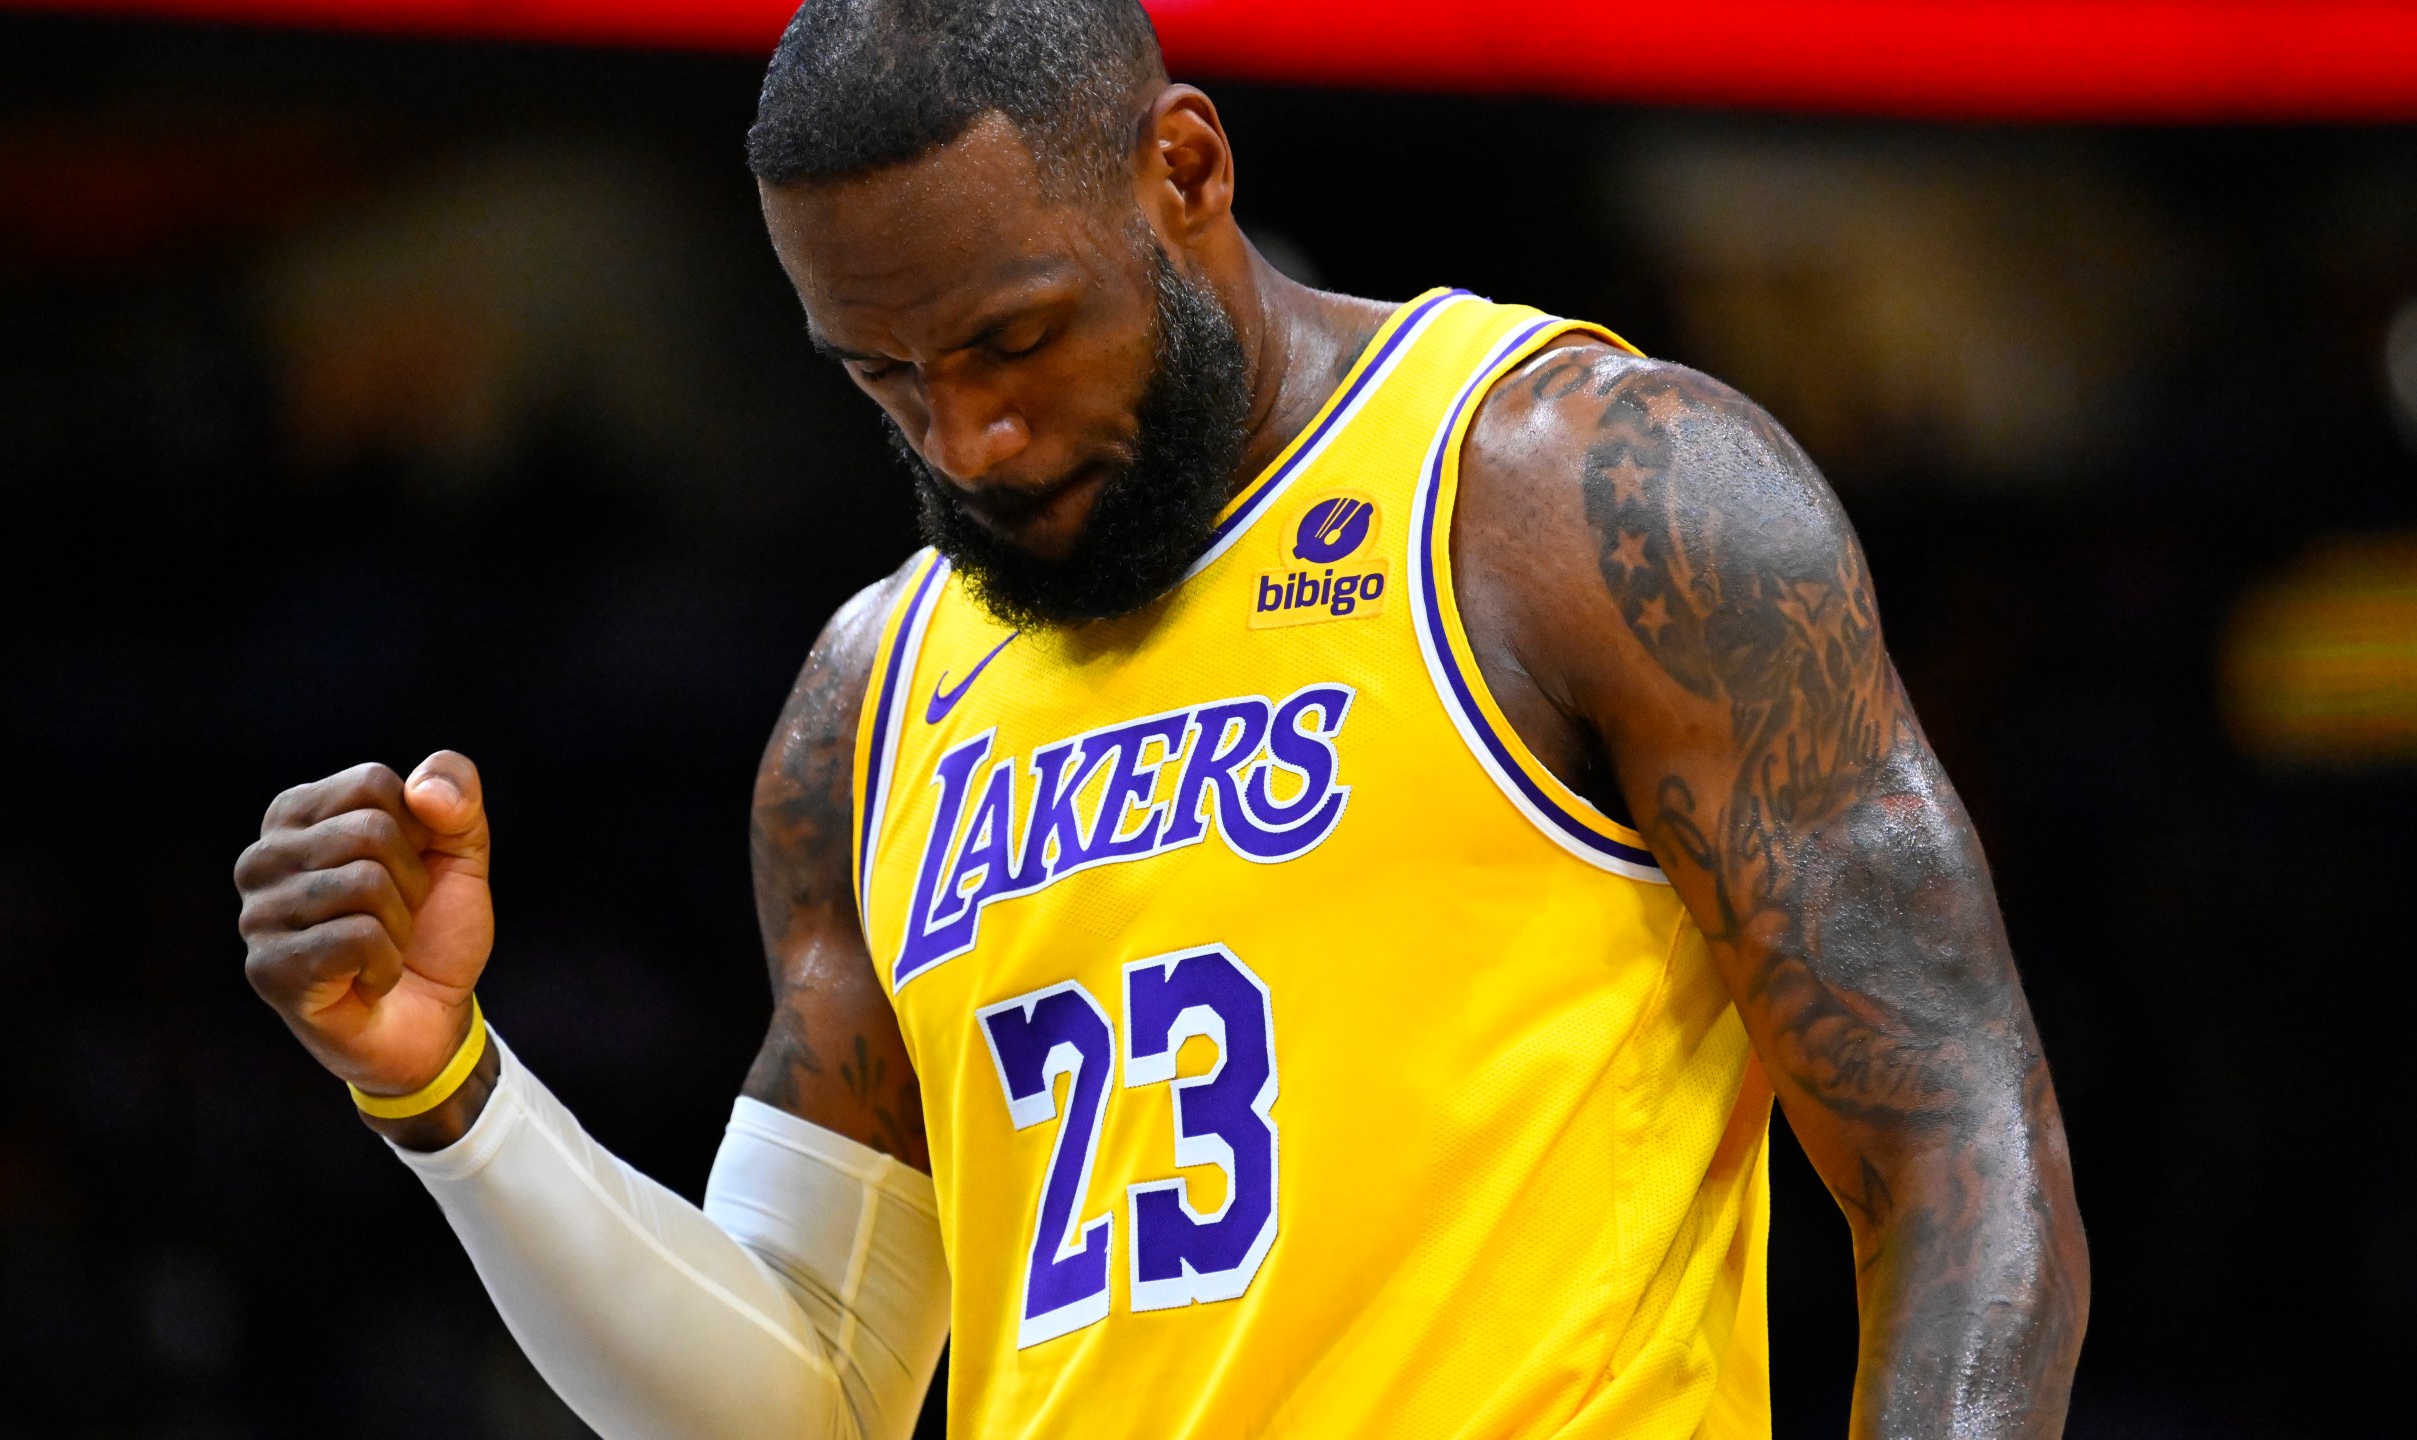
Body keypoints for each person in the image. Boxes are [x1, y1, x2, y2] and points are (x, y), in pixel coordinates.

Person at [232, 2, 2087, 1436]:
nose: (966, 443)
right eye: (885, 378)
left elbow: (1959, 1142)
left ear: (1182, 169)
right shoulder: (867, 709)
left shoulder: (1572, 494)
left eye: (1013, 343)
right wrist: (446, 1088)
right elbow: (806, 1396)